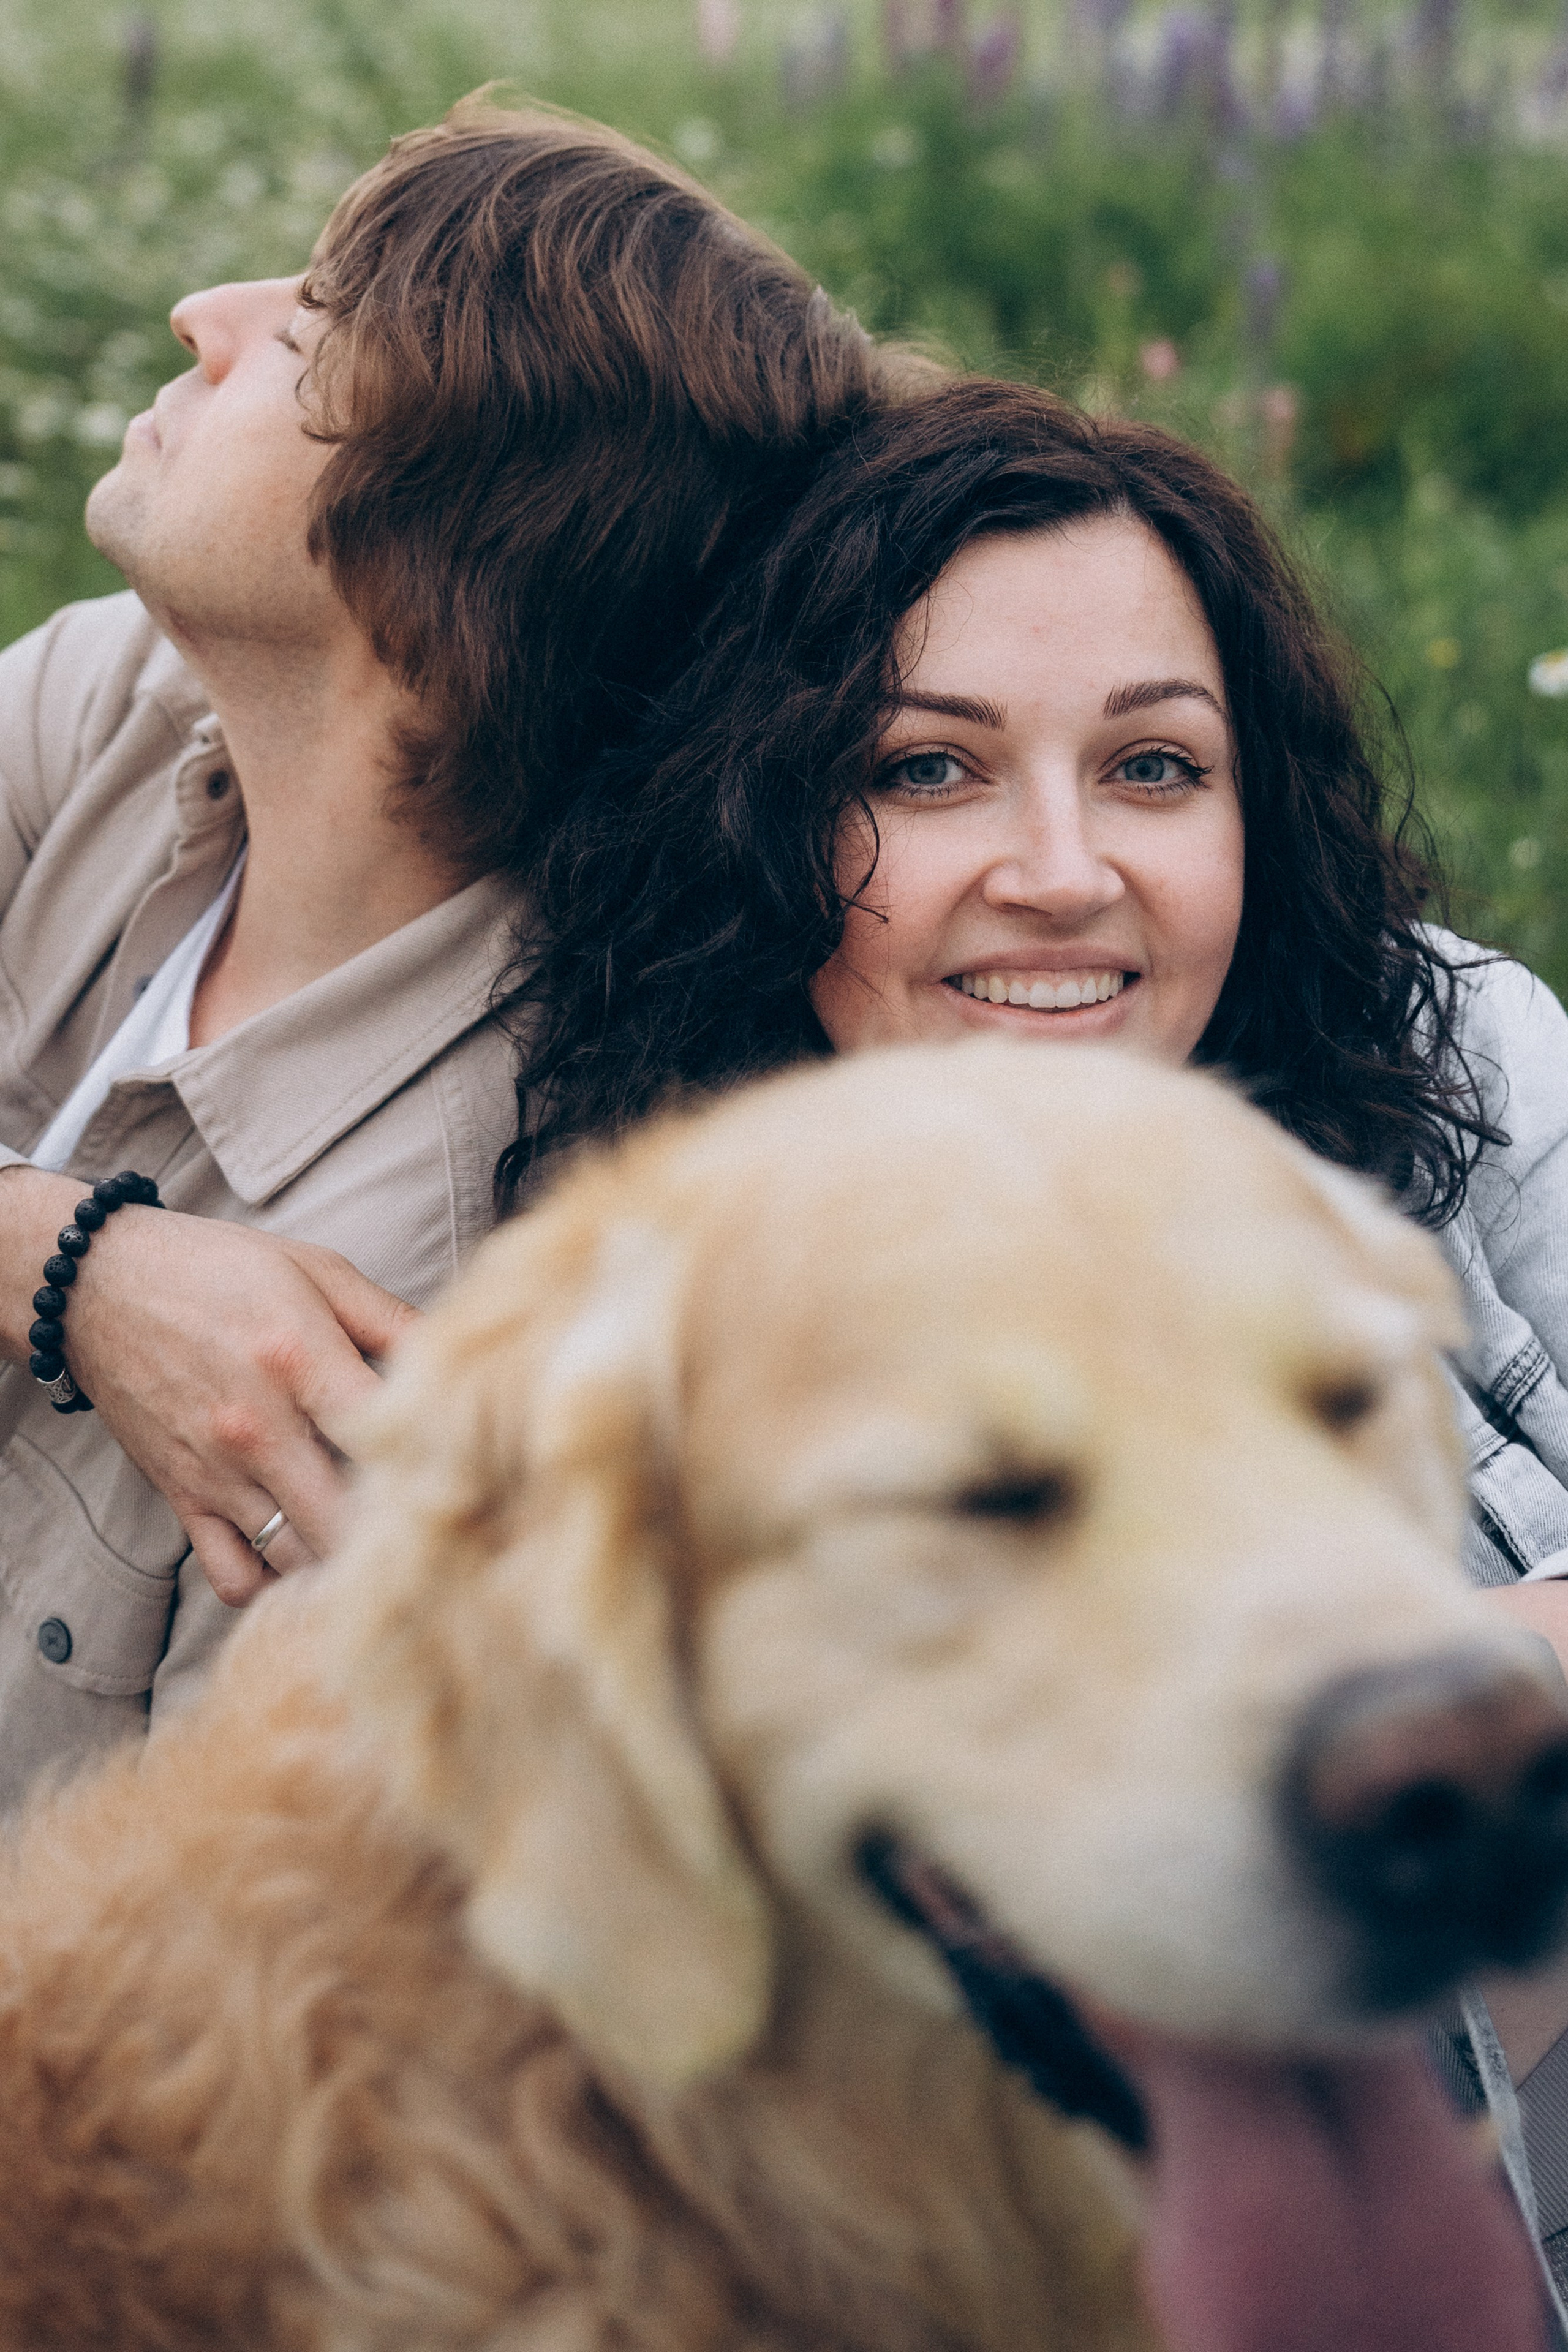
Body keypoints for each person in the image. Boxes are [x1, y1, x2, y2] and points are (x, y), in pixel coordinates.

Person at [500, 378, 1568, 2307]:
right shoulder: (653, 1316)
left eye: (1155, 766)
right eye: (929, 770)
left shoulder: (1457, 1054)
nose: (1064, 871)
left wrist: (1479, 1695)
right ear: (768, 807)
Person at [0, 94, 915, 1806]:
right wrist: (66, 1260)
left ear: (442, 564)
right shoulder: (119, 700)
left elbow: (185, 1937)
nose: (204, 315)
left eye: (311, 328)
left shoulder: (428, 1308)